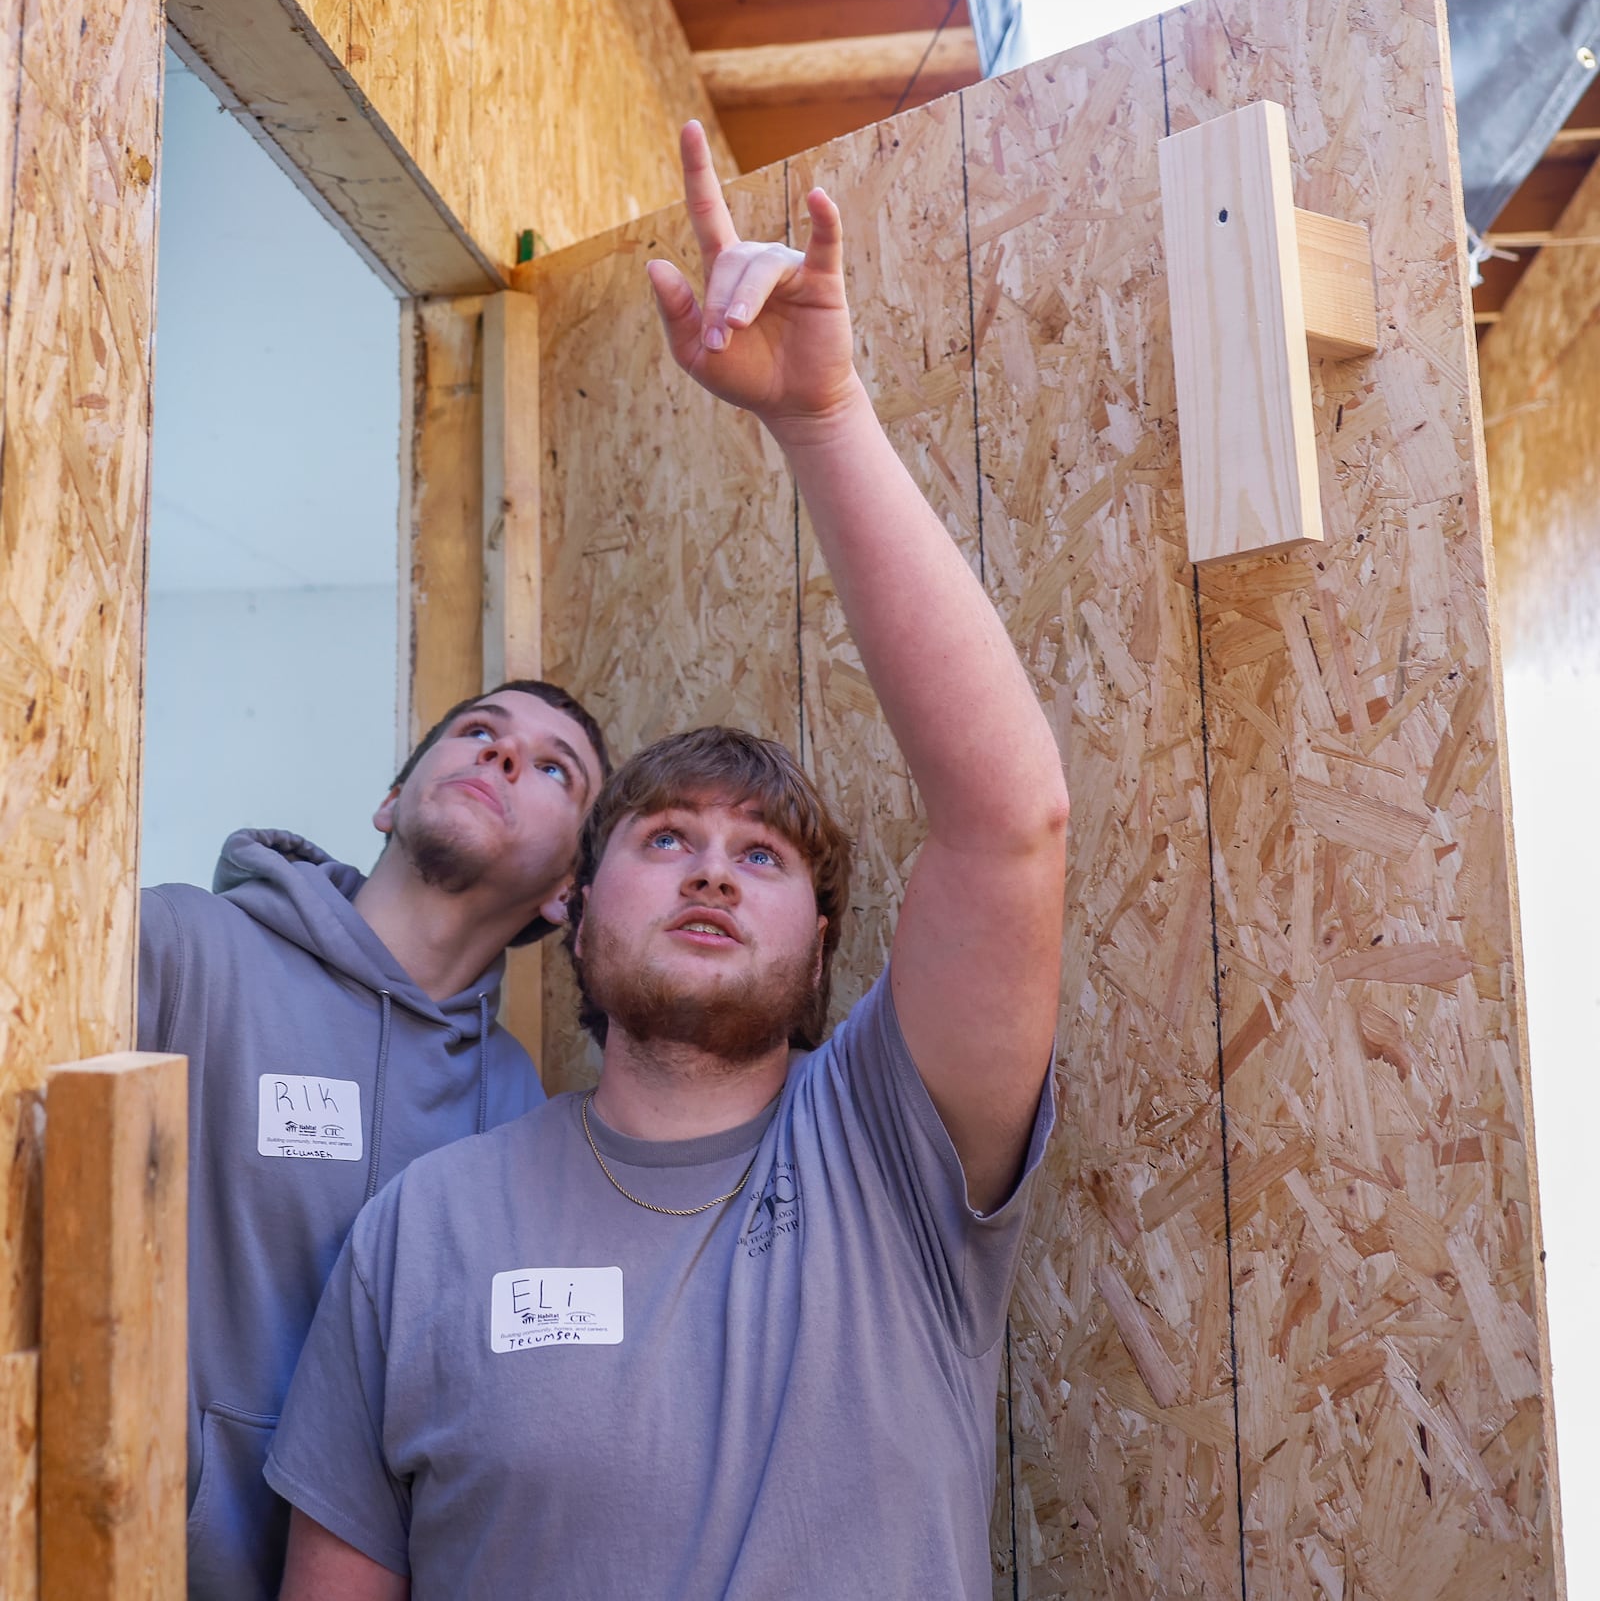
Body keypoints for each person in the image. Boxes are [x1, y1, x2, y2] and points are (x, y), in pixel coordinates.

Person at [265, 120, 1069, 1600]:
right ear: (574, 910)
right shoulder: (422, 1229)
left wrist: (822, 419)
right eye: (666, 836)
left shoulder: (895, 1152)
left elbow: (1008, 820)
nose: (712, 868)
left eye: (764, 855)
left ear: (826, 944)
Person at [139, 678, 609, 1601]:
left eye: (556, 768)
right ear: (391, 801)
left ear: (566, 894)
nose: (505, 754)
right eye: (480, 730)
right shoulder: (181, 948)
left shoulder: (523, 1110)